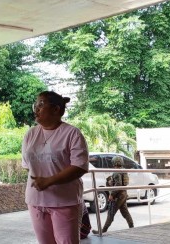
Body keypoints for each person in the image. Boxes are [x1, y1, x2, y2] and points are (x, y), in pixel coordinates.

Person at [22, 91, 89, 244]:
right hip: (36, 200)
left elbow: (79, 167)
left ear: (56, 109)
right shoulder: (30, 134)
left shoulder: (72, 133)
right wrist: (41, 181)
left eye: (41, 104)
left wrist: (49, 181)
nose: (36, 109)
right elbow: (27, 165)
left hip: (64, 201)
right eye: (36, 105)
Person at [92, 156, 134, 234]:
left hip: (117, 196)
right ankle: (132, 227)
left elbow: (118, 184)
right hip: (123, 194)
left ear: (114, 162)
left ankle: (103, 230)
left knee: (111, 213)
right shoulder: (124, 171)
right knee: (125, 212)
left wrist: (112, 195)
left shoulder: (116, 172)